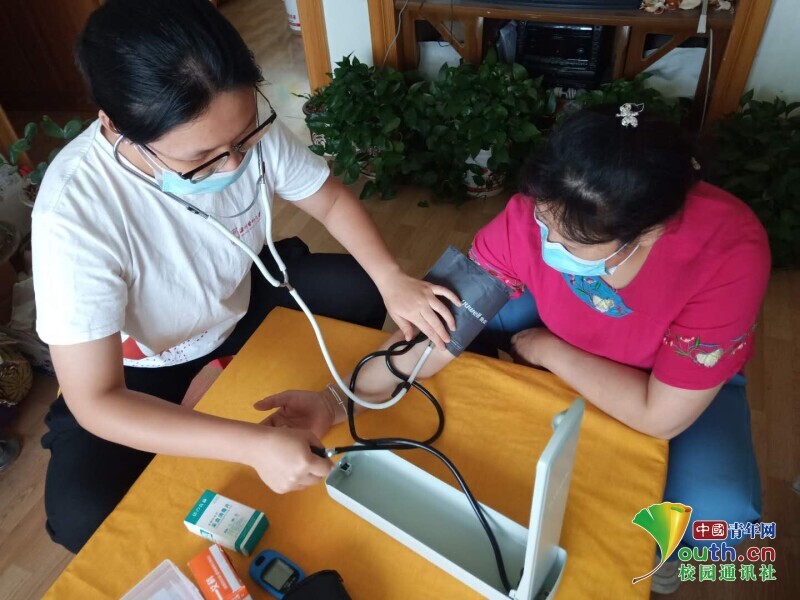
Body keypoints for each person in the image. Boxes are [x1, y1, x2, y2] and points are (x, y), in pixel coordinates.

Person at [260, 104, 770, 593]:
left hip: (673, 377)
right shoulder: (534, 213)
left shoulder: (727, 252)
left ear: (649, 232)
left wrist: (548, 351)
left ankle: (665, 551)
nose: (548, 242)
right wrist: (334, 401)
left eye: (573, 244)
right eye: (544, 221)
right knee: (453, 325)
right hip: (553, 318)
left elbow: (659, 415)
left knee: (722, 515)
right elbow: (433, 337)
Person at [32, 0, 458, 554]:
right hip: (143, 368)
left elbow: (329, 200)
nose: (234, 165)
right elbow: (95, 399)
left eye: (244, 139)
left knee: (360, 284)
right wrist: (249, 446)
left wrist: (391, 277)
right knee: (81, 512)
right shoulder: (74, 214)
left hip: (242, 302)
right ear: (115, 127)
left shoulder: (235, 127)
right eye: (203, 159)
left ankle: (276, 378)